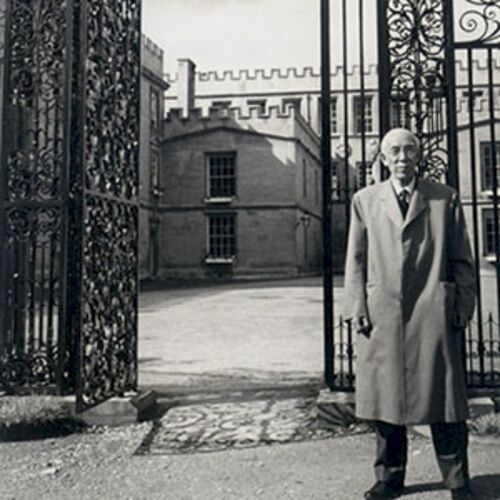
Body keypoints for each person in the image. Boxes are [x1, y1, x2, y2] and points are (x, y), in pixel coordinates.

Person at [344, 128, 477, 500]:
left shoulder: (444, 198)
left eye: (409, 150)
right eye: (394, 151)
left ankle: (457, 481)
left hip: (434, 311)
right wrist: (357, 306)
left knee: (445, 402)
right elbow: (355, 260)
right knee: (386, 402)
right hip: (382, 314)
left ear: (419, 156)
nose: (402, 157)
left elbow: (462, 259)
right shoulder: (364, 200)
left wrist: (462, 305)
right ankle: (389, 478)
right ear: (383, 158)